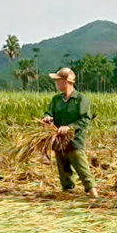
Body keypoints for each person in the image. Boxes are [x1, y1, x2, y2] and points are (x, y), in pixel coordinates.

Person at [43, 67, 99, 197]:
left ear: (66, 81)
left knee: (83, 170)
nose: (56, 83)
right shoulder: (56, 100)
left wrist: (69, 127)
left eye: (58, 81)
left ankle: (95, 196)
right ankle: (68, 195)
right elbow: (49, 112)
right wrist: (47, 117)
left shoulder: (81, 99)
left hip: (75, 141)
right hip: (59, 142)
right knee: (63, 172)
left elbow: (85, 119)